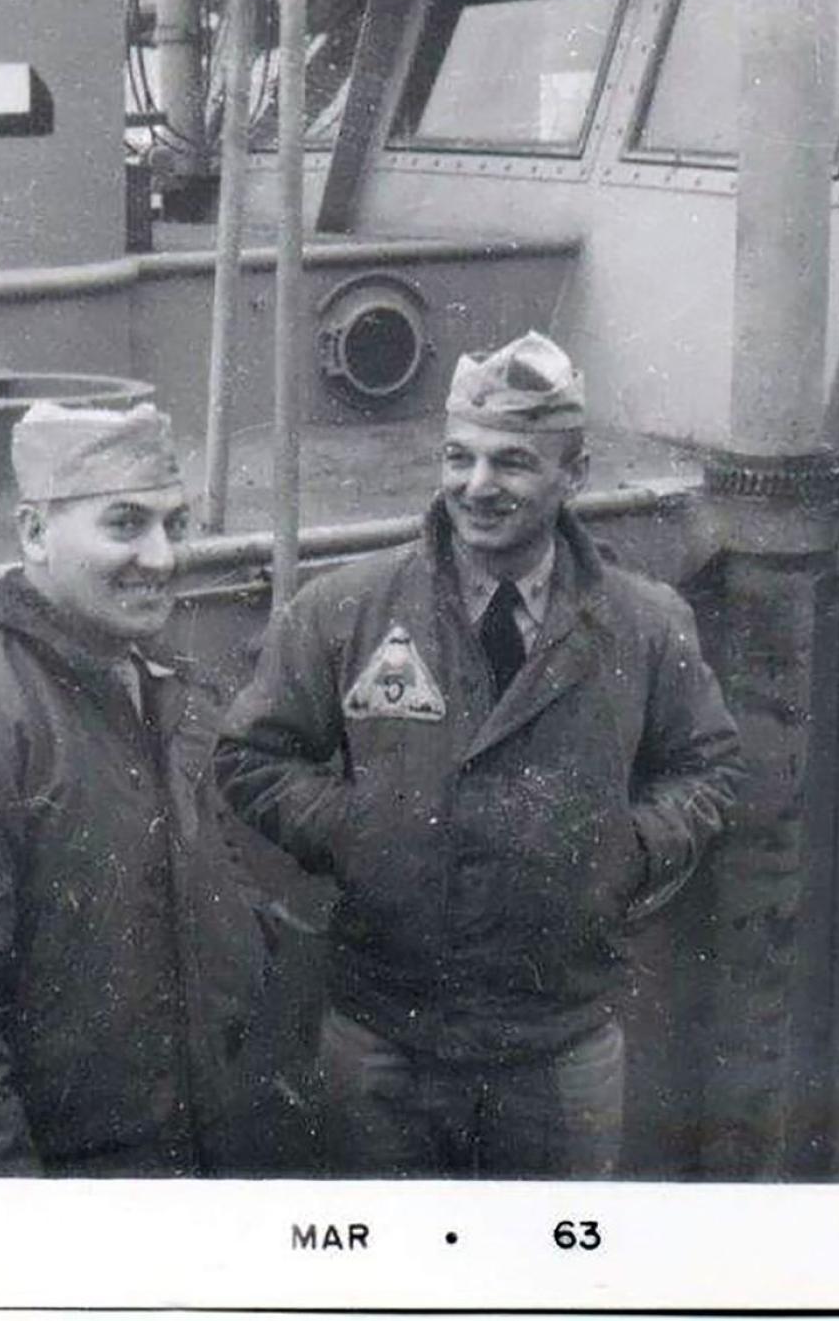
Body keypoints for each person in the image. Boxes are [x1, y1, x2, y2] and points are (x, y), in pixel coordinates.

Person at [214, 331, 743, 1177]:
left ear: (573, 474)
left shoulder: (644, 624)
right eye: (459, 457)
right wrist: (360, 830)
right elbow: (250, 754)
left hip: (558, 1042)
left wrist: (629, 846)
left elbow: (710, 768)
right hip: (382, 1035)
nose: (477, 485)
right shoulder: (346, 610)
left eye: (512, 462)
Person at [0, 400, 267, 1175]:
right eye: (125, 523)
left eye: (174, 525)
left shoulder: (160, 685)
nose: (163, 556)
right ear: (34, 533)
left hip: (200, 1158)